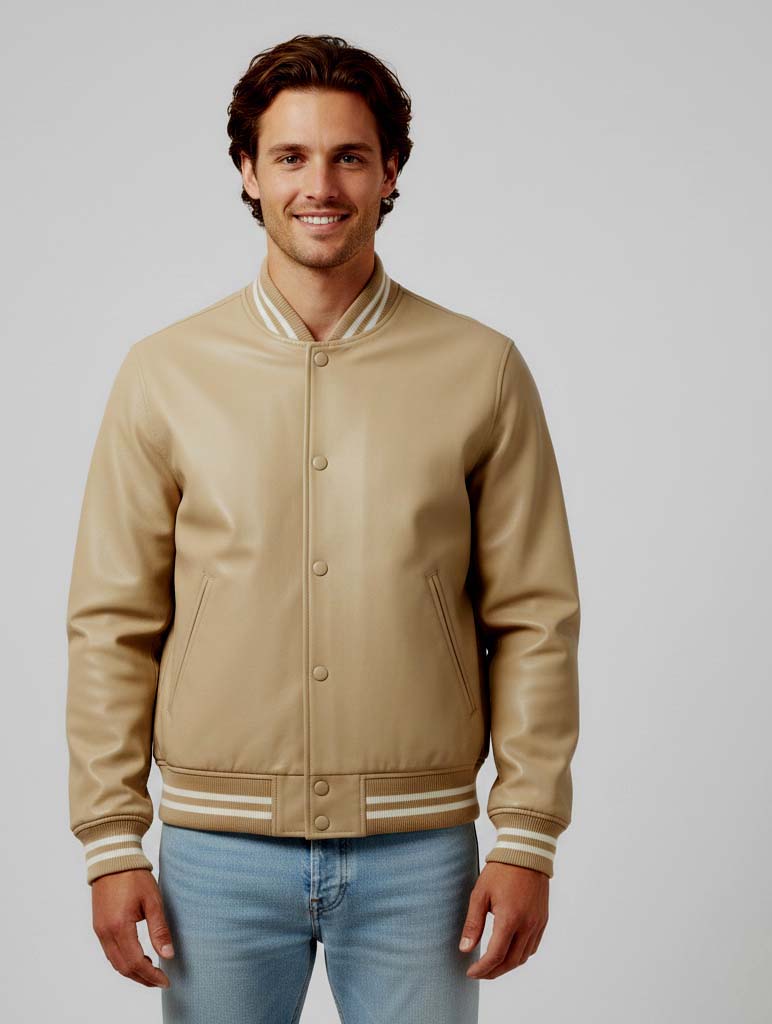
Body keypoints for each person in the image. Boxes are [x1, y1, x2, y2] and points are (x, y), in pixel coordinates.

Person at [65, 33, 581, 1024]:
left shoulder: (481, 369)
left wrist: (526, 833)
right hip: (214, 855)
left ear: (390, 170)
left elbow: (534, 619)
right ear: (247, 171)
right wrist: (111, 838)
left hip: (420, 855)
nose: (321, 185)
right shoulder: (164, 374)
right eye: (291, 156)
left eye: (349, 156)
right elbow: (111, 624)